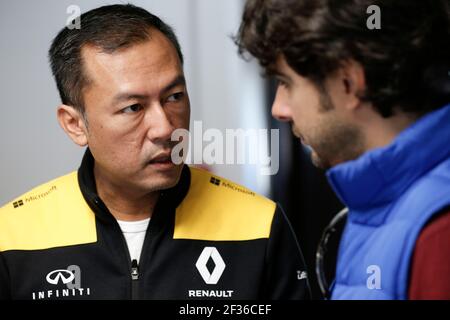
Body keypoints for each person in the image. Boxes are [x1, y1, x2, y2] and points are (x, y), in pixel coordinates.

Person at [0, 4, 310, 300]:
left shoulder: (259, 225)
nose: (165, 128)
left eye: (174, 97)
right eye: (133, 107)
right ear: (75, 124)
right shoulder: (11, 235)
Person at [236, 0, 450, 299]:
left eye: (286, 83)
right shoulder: (375, 206)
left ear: (348, 82)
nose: (278, 109)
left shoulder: (438, 234)